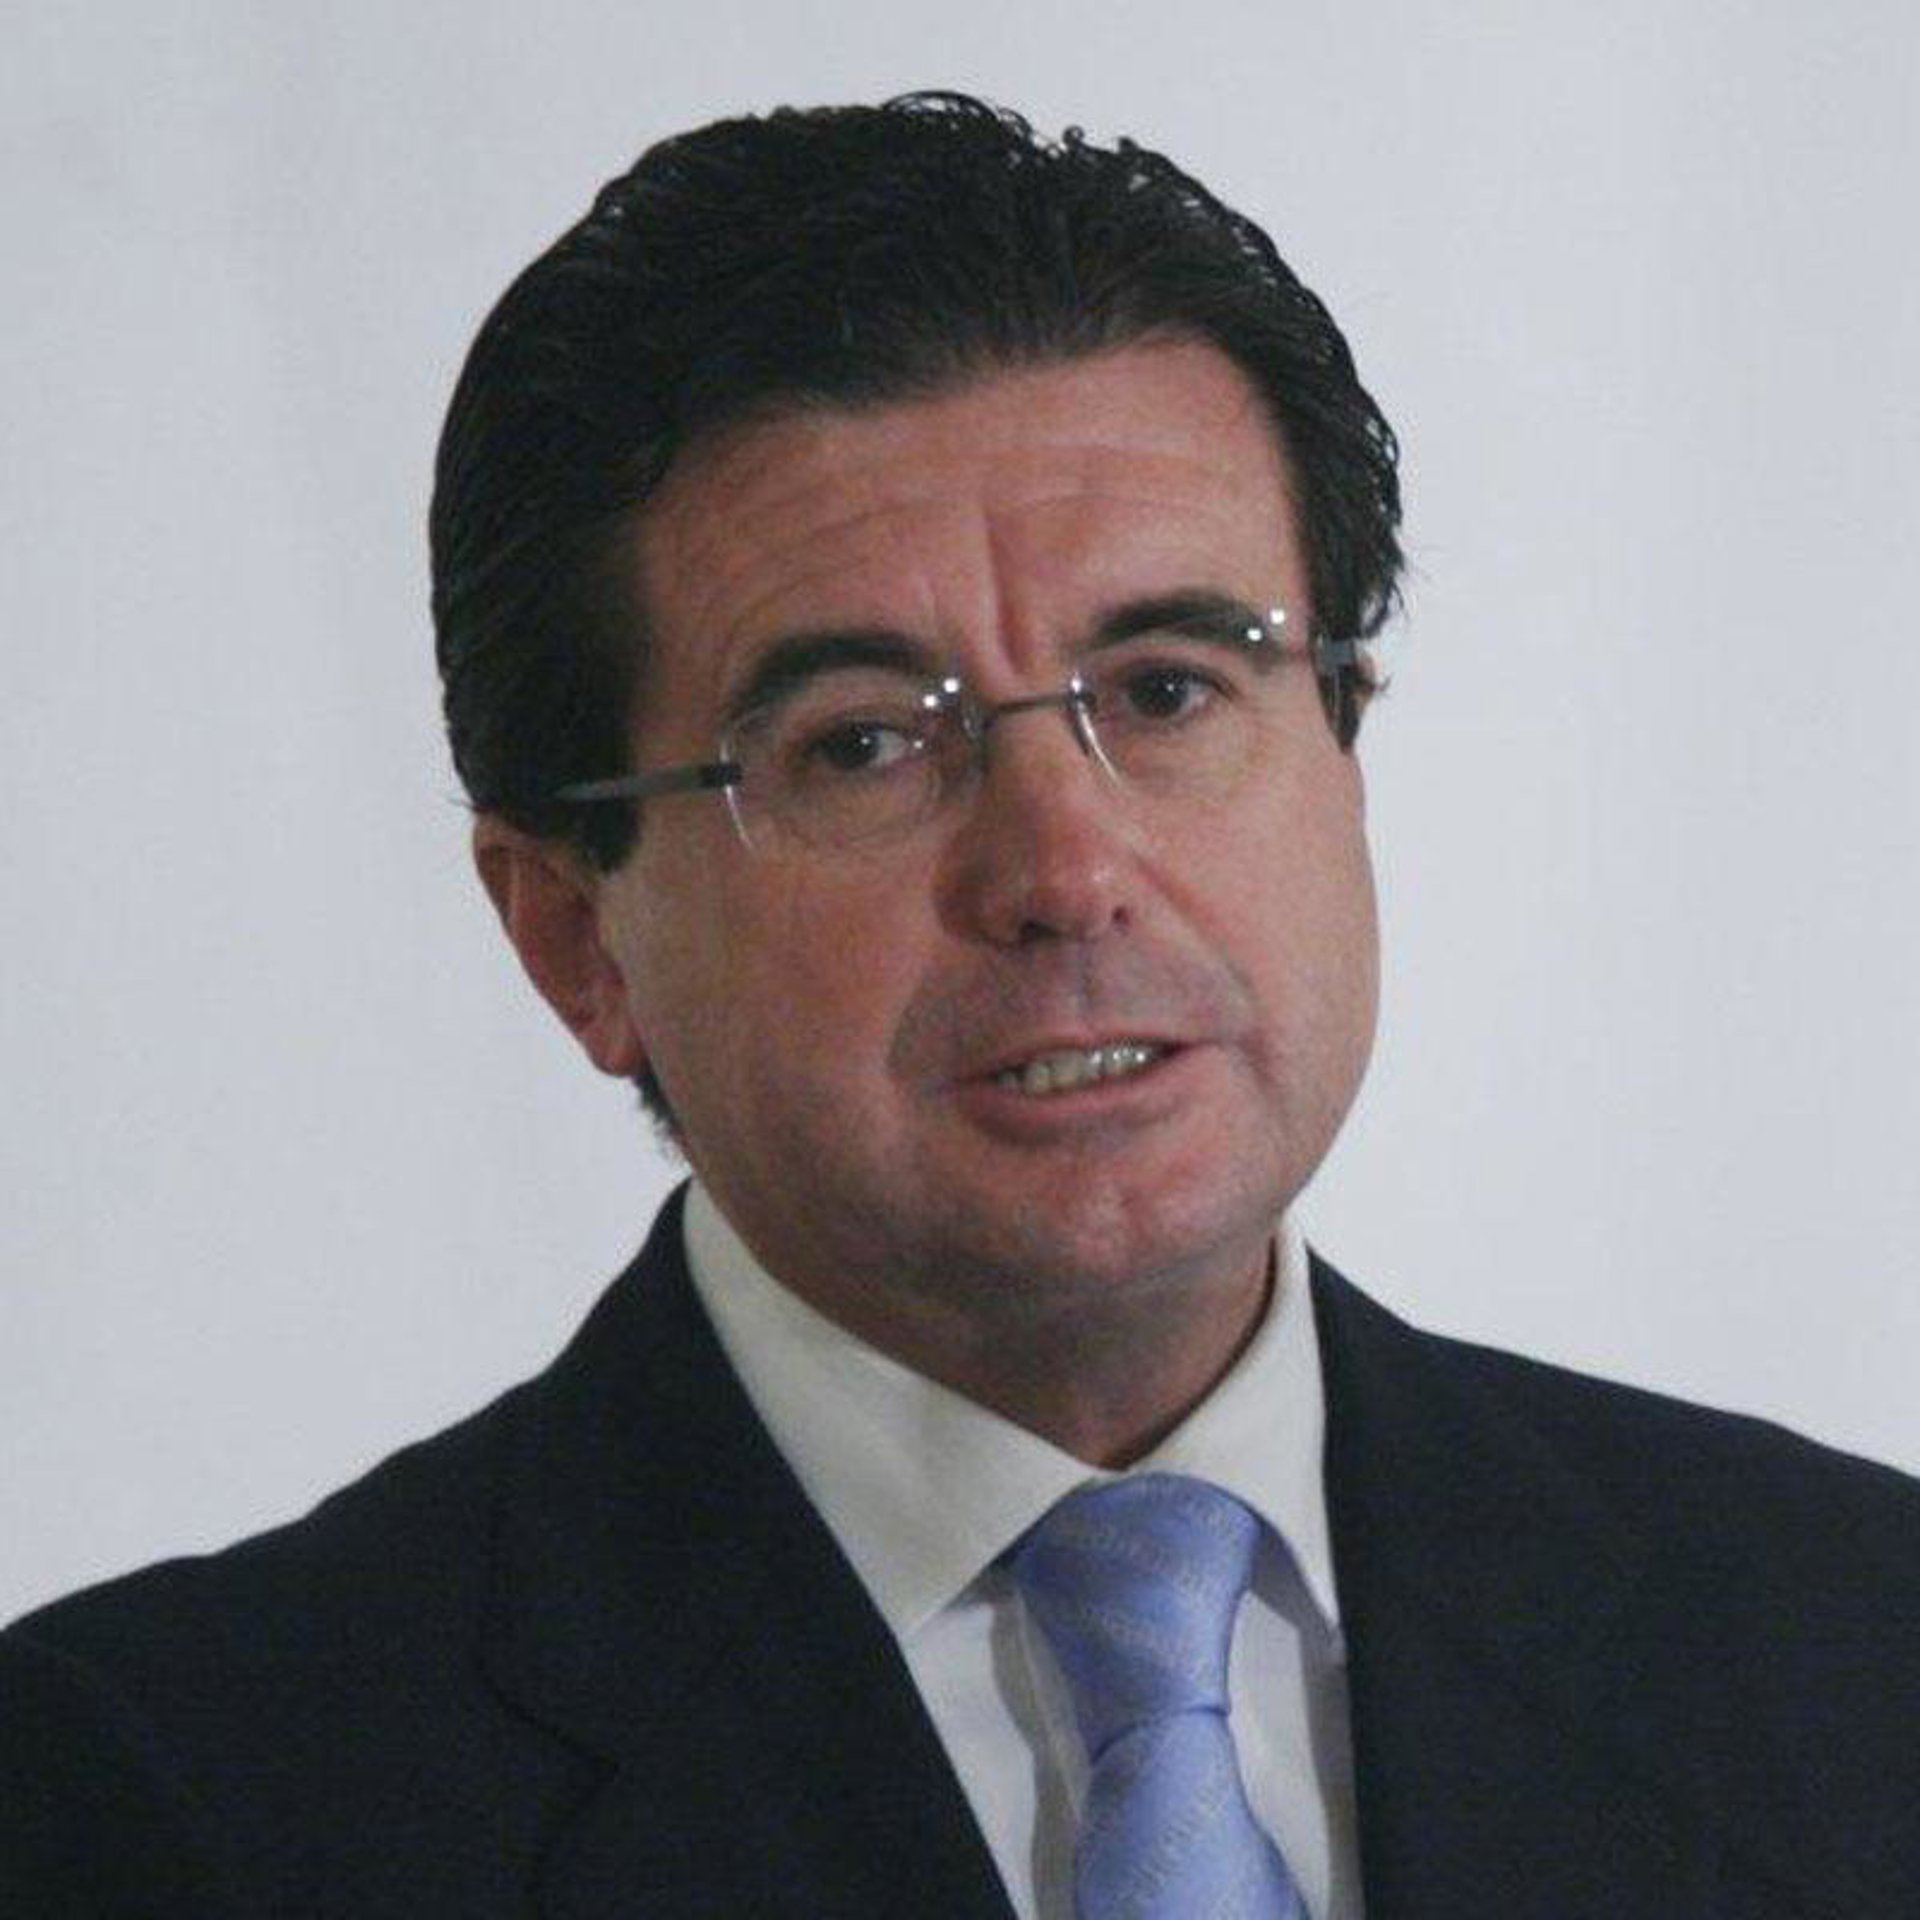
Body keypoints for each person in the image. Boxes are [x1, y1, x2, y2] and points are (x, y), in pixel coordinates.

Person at [3, 91, 1916, 1920]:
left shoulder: (1855, 1639)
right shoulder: (167, 1803)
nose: (1065, 871)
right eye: (860, 745)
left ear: (1346, 743)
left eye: (1167, 689)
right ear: (574, 934)